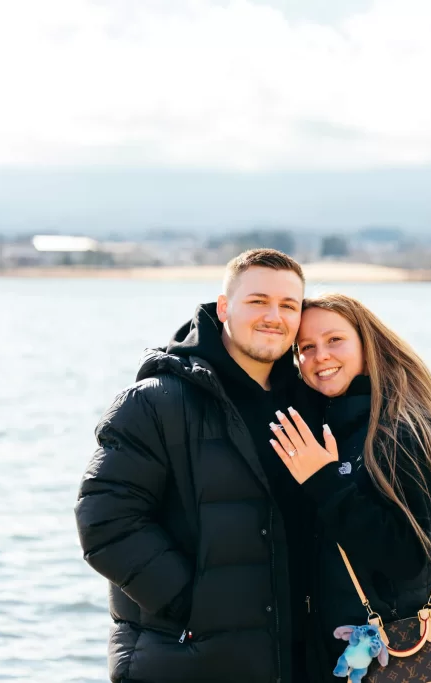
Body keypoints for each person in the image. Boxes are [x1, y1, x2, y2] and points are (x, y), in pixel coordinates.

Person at [74, 248, 320, 683]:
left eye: (289, 305)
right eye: (258, 301)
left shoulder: (308, 405)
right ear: (224, 307)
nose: (274, 316)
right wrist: (192, 605)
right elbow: (105, 520)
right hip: (180, 662)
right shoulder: (156, 401)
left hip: (286, 664)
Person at [267, 293, 431, 680]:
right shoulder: (334, 427)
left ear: (367, 344)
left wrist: (323, 482)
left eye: (334, 340)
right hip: (349, 658)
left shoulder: (405, 431)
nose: (320, 356)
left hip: (408, 655)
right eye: (306, 348)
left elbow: (411, 559)